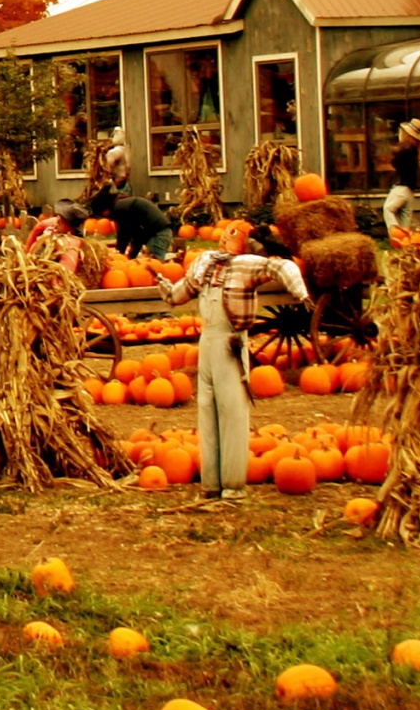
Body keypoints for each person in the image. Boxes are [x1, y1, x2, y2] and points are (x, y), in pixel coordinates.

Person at [161, 223, 309, 503]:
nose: (226, 240)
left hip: (231, 341)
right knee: (206, 408)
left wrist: (300, 293)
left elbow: (284, 268)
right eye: (226, 235)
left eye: (234, 236)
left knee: (232, 411)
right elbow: (181, 292)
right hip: (208, 342)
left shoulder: (248, 266)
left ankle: (232, 485)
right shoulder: (204, 262)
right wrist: (164, 285)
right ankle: (211, 483)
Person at [91, 186, 173, 261]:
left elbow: (124, 233)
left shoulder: (120, 209)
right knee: (151, 263)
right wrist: (132, 255)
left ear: (104, 210)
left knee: (154, 266)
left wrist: (120, 253)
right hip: (160, 231)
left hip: (157, 234)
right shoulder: (124, 205)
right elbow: (137, 233)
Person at [384, 118, 420, 236]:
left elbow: (395, 162)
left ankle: (396, 236)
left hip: (401, 187)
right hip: (409, 191)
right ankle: (406, 248)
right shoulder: (414, 151)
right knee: (405, 223)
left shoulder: (405, 150)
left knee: (388, 209)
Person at [101, 127, 132, 194]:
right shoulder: (127, 150)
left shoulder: (113, 152)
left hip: (116, 185)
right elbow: (128, 168)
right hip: (126, 183)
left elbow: (106, 169)